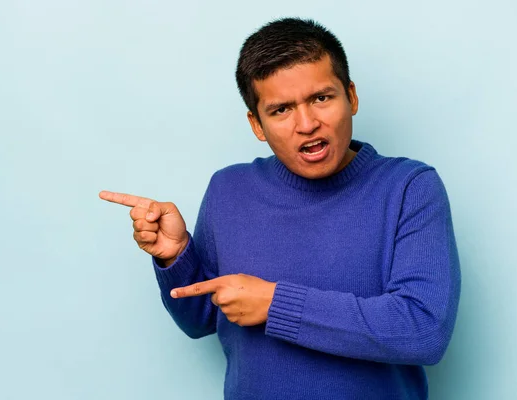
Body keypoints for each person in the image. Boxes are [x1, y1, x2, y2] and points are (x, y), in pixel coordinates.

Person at [99, 17, 461, 400]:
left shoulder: (409, 187)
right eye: (281, 110)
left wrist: (274, 304)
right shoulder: (229, 189)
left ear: (351, 96)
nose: (307, 124)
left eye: (321, 98)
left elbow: (424, 329)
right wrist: (176, 257)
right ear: (257, 124)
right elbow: (203, 320)